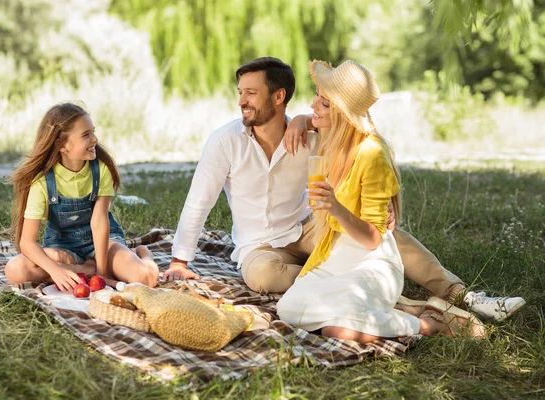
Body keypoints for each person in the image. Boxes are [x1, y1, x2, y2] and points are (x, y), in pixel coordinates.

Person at [165, 57, 524, 322]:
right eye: (240, 92)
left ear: (279, 97)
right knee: (263, 277)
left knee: (388, 236)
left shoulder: (313, 134)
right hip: (258, 244)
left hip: (308, 229)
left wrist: (305, 122)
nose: (242, 101)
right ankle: (396, 300)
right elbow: (199, 202)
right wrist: (180, 260)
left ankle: (463, 295)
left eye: (251, 93)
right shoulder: (225, 142)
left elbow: (355, 133)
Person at [276, 59, 485, 342]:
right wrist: (300, 120)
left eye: (324, 103)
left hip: (371, 260)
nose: (314, 104)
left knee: (338, 330)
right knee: (288, 309)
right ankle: (400, 311)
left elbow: (373, 239)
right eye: (317, 95)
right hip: (334, 256)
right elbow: (310, 119)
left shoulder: (372, 153)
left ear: (342, 114)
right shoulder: (332, 137)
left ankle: (429, 324)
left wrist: (335, 207)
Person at [5, 103, 159, 291]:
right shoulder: (43, 182)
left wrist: (102, 274)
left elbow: (99, 221)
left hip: (104, 242)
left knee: (144, 279)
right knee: (15, 270)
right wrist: (55, 271)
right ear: (62, 145)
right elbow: (27, 242)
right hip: (62, 245)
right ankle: (86, 269)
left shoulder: (101, 169)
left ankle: (143, 255)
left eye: (93, 132)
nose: (95, 139)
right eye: (86, 135)